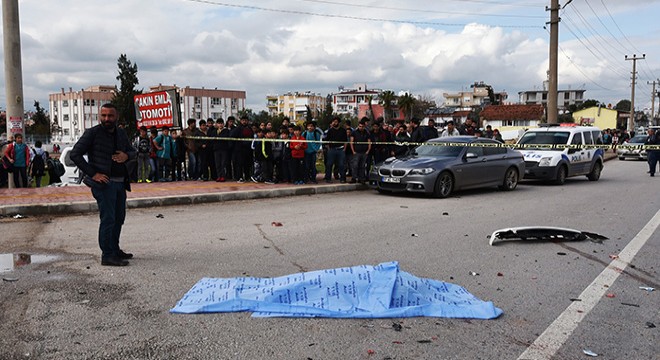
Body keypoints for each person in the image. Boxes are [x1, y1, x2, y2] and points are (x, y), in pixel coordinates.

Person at [70, 103, 136, 267]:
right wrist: (93, 174)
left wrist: (126, 155)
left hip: (120, 183)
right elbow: (75, 154)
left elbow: (133, 151)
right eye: (104, 116)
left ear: (116, 116)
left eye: (110, 116)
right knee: (108, 219)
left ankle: (114, 249)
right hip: (105, 185)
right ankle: (107, 255)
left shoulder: (120, 133)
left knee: (119, 218)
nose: (107, 119)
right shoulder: (92, 133)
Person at [324, 116, 347, 183]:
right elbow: (327, 141)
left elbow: (345, 141)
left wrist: (344, 149)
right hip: (332, 149)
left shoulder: (343, 131)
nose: (334, 123)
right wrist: (329, 149)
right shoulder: (330, 131)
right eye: (333, 122)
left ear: (339, 123)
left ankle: (342, 178)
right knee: (329, 164)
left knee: (341, 164)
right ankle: (328, 178)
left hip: (341, 149)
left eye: (336, 122)